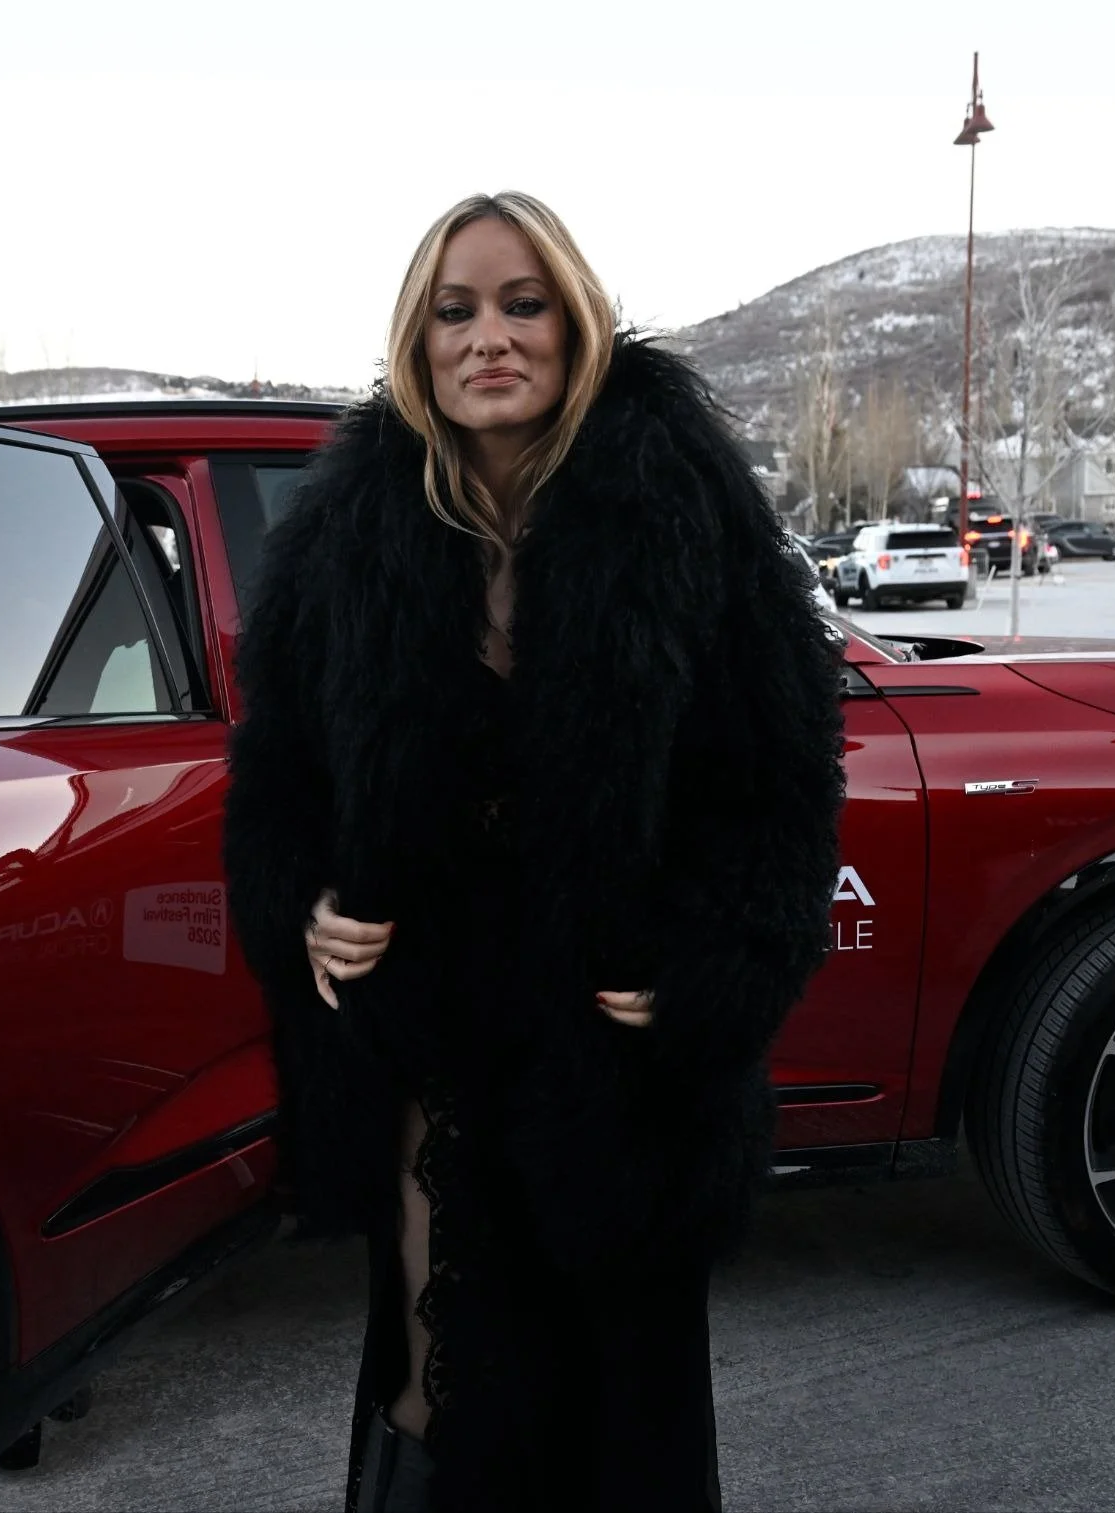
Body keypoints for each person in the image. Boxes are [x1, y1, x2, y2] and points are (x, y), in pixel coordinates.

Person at [222, 191, 844, 1513]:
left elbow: (782, 783)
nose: (487, 337)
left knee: (625, 1399)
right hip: (429, 1028)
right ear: (418, 339)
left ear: (575, 322)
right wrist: (302, 904)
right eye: (454, 311)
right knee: (435, 1377)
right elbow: (278, 776)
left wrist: (715, 960)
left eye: (522, 304)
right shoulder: (347, 533)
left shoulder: (680, 507)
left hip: (611, 1029)